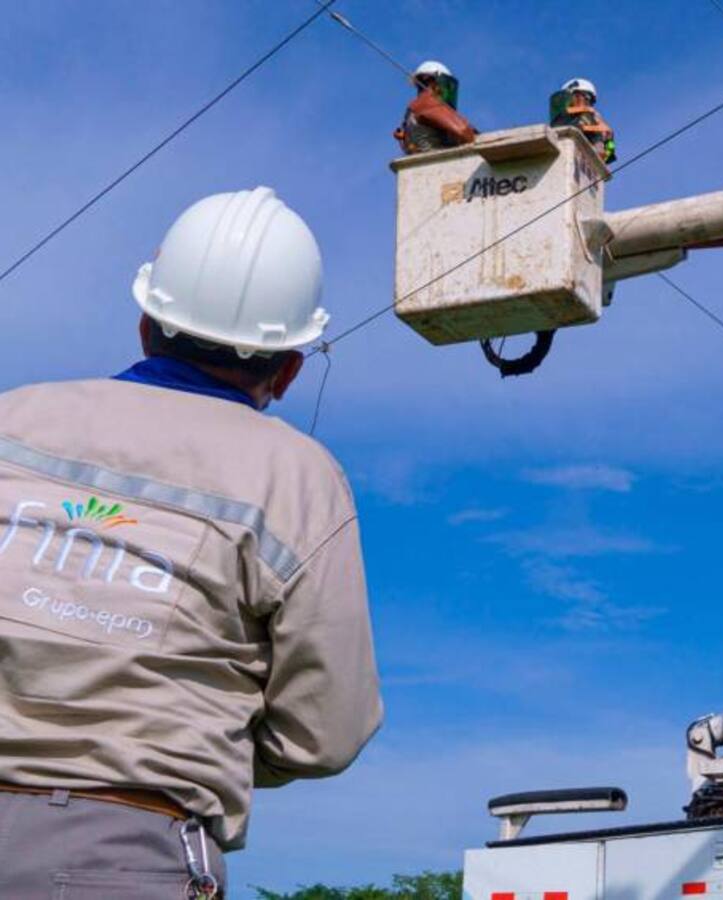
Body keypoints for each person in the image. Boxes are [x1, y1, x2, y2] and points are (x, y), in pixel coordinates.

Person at [0, 186, 382, 898]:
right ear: (288, 369)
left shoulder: (12, 418)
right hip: (122, 855)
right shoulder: (295, 476)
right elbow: (326, 732)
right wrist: (204, 739)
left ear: (147, 324)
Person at [395, 59, 477, 153]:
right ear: (431, 81)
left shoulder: (413, 108)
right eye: (446, 85)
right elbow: (464, 132)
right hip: (437, 159)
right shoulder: (428, 102)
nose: (444, 91)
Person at [550, 77, 616, 164]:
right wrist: (588, 127)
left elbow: (607, 156)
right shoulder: (564, 117)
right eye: (574, 97)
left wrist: (609, 139)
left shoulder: (592, 119)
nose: (586, 102)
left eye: (589, 100)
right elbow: (559, 126)